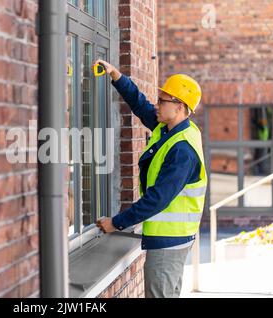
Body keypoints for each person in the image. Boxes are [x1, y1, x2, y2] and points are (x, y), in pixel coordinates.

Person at [94, 59, 208, 298]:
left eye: (162, 100)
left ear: (179, 106)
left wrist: (116, 222)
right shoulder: (168, 128)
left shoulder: (182, 150)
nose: (156, 104)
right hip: (172, 238)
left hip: (169, 243)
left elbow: (157, 199)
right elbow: (139, 104)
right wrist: (116, 75)